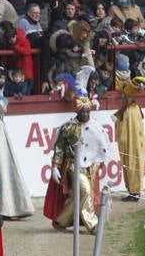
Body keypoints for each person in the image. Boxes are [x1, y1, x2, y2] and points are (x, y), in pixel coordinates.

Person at [44, 96, 110, 233]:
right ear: (77, 112)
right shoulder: (68, 127)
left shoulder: (96, 127)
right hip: (73, 164)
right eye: (82, 112)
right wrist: (55, 166)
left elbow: (102, 148)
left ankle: (60, 221)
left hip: (90, 167)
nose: (85, 114)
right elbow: (60, 148)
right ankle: (93, 225)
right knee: (85, 190)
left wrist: (99, 163)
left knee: (77, 195)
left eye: (87, 111)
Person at [114, 75, 145, 202]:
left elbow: (128, 133)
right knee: (129, 166)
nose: (122, 98)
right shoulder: (129, 108)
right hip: (131, 145)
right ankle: (132, 192)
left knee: (133, 165)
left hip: (133, 145)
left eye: (123, 96)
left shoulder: (131, 111)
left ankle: (135, 193)